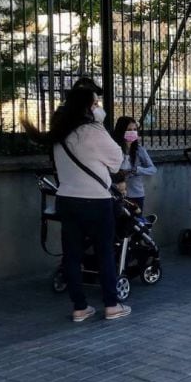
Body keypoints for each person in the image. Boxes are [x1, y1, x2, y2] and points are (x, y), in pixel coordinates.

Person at [23, 84, 129, 321]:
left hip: (67, 200)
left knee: (72, 254)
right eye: (95, 103)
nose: (99, 107)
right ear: (87, 107)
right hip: (96, 201)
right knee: (104, 252)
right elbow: (116, 160)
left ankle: (79, 307)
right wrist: (100, 123)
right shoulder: (93, 131)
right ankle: (111, 305)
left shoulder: (60, 134)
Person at [110, 116, 156, 213]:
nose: (132, 132)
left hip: (136, 194)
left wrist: (138, 170)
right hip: (117, 194)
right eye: (129, 130)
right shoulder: (114, 149)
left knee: (136, 224)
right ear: (121, 131)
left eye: (135, 130)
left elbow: (153, 169)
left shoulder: (139, 150)